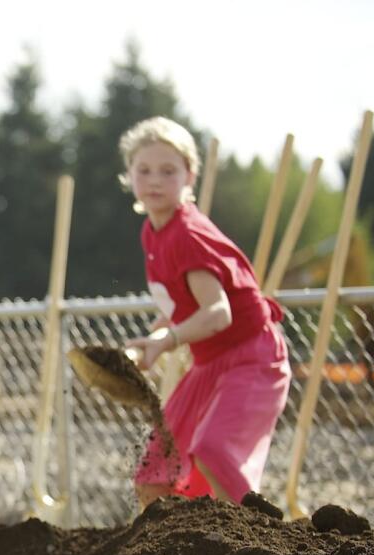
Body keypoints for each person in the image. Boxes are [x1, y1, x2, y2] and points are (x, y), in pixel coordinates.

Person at [119, 116, 291, 509]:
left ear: (189, 176)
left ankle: (258, 544)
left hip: (252, 359)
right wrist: (154, 339)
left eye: (168, 170)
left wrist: (166, 340)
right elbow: (184, 308)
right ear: (129, 176)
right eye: (143, 170)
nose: (154, 180)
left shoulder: (189, 236)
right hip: (208, 364)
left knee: (214, 451)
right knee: (154, 476)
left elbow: (218, 314)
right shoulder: (153, 232)